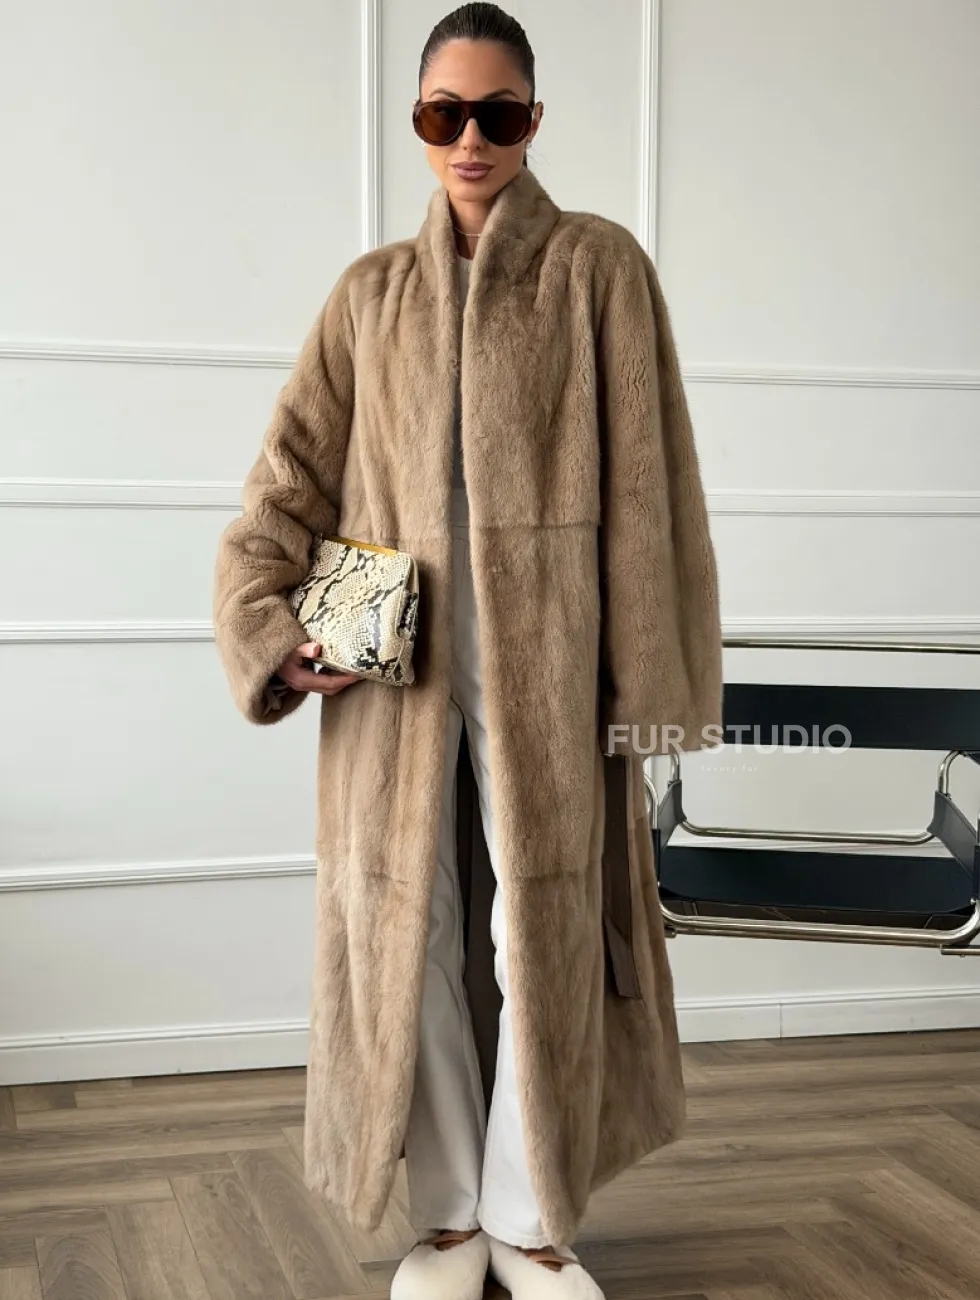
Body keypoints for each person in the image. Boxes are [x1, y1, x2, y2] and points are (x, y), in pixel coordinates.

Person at [212, 4, 724, 1298]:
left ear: (535, 119)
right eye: (446, 114)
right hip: (393, 673)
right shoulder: (369, 295)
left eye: (497, 113)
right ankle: (447, 1219)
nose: (472, 139)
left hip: (549, 664)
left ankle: (530, 1220)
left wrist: (649, 690)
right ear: (420, 122)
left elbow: (652, 489)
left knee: (537, 925)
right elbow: (284, 482)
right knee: (414, 924)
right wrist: (270, 631)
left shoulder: (598, 270)